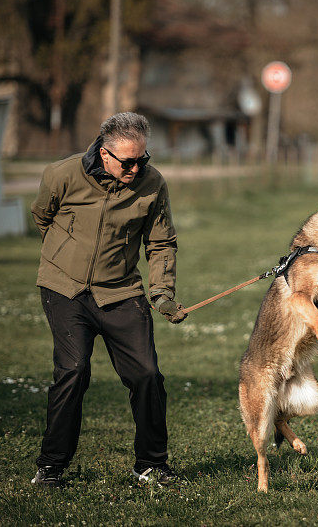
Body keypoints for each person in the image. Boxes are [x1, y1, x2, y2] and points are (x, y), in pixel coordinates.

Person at [30, 112, 187, 487]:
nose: (136, 167)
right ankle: (51, 466)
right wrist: (65, 256)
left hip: (120, 291)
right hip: (64, 289)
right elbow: (42, 217)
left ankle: (151, 464)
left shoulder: (152, 184)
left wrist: (162, 293)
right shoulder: (61, 175)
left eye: (142, 159)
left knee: (147, 374)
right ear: (104, 153)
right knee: (73, 371)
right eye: (128, 161)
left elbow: (161, 242)